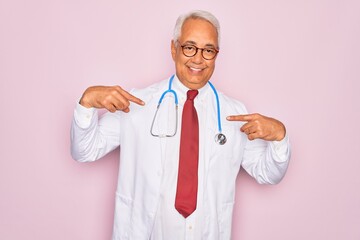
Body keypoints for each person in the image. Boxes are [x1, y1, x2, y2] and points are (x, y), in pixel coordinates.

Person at [71, 10, 291, 240]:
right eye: (189, 47)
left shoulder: (234, 114)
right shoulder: (136, 104)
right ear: (174, 49)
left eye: (208, 50)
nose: (198, 59)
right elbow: (84, 151)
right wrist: (86, 103)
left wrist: (279, 138)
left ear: (216, 55)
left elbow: (268, 174)